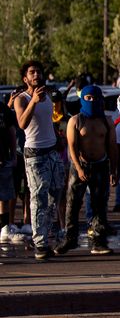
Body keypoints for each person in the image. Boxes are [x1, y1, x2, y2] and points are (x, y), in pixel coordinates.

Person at [55, 86, 118, 255]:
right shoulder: (75, 120)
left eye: (94, 98)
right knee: (73, 203)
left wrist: (114, 170)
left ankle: (98, 240)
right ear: (82, 99)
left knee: (99, 204)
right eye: (88, 98)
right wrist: (78, 168)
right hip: (80, 166)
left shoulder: (107, 121)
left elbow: (112, 147)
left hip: (101, 165)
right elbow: (72, 147)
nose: (91, 101)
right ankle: (70, 238)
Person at [12, 61, 65, 260]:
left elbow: (50, 120)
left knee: (56, 193)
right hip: (35, 154)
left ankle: (50, 235)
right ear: (25, 78)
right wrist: (33, 101)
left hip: (52, 151)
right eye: (32, 72)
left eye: (39, 71)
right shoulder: (22, 98)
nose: (36, 74)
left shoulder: (48, 97)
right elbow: (22, 123)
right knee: (38, 198)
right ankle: (40, 244)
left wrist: (57, 136)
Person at [0, 95, 17, 240]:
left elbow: (11, 131)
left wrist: (14, 155)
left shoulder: (2, 109)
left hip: (2, 158)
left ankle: (4, 228)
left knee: (4, 197)